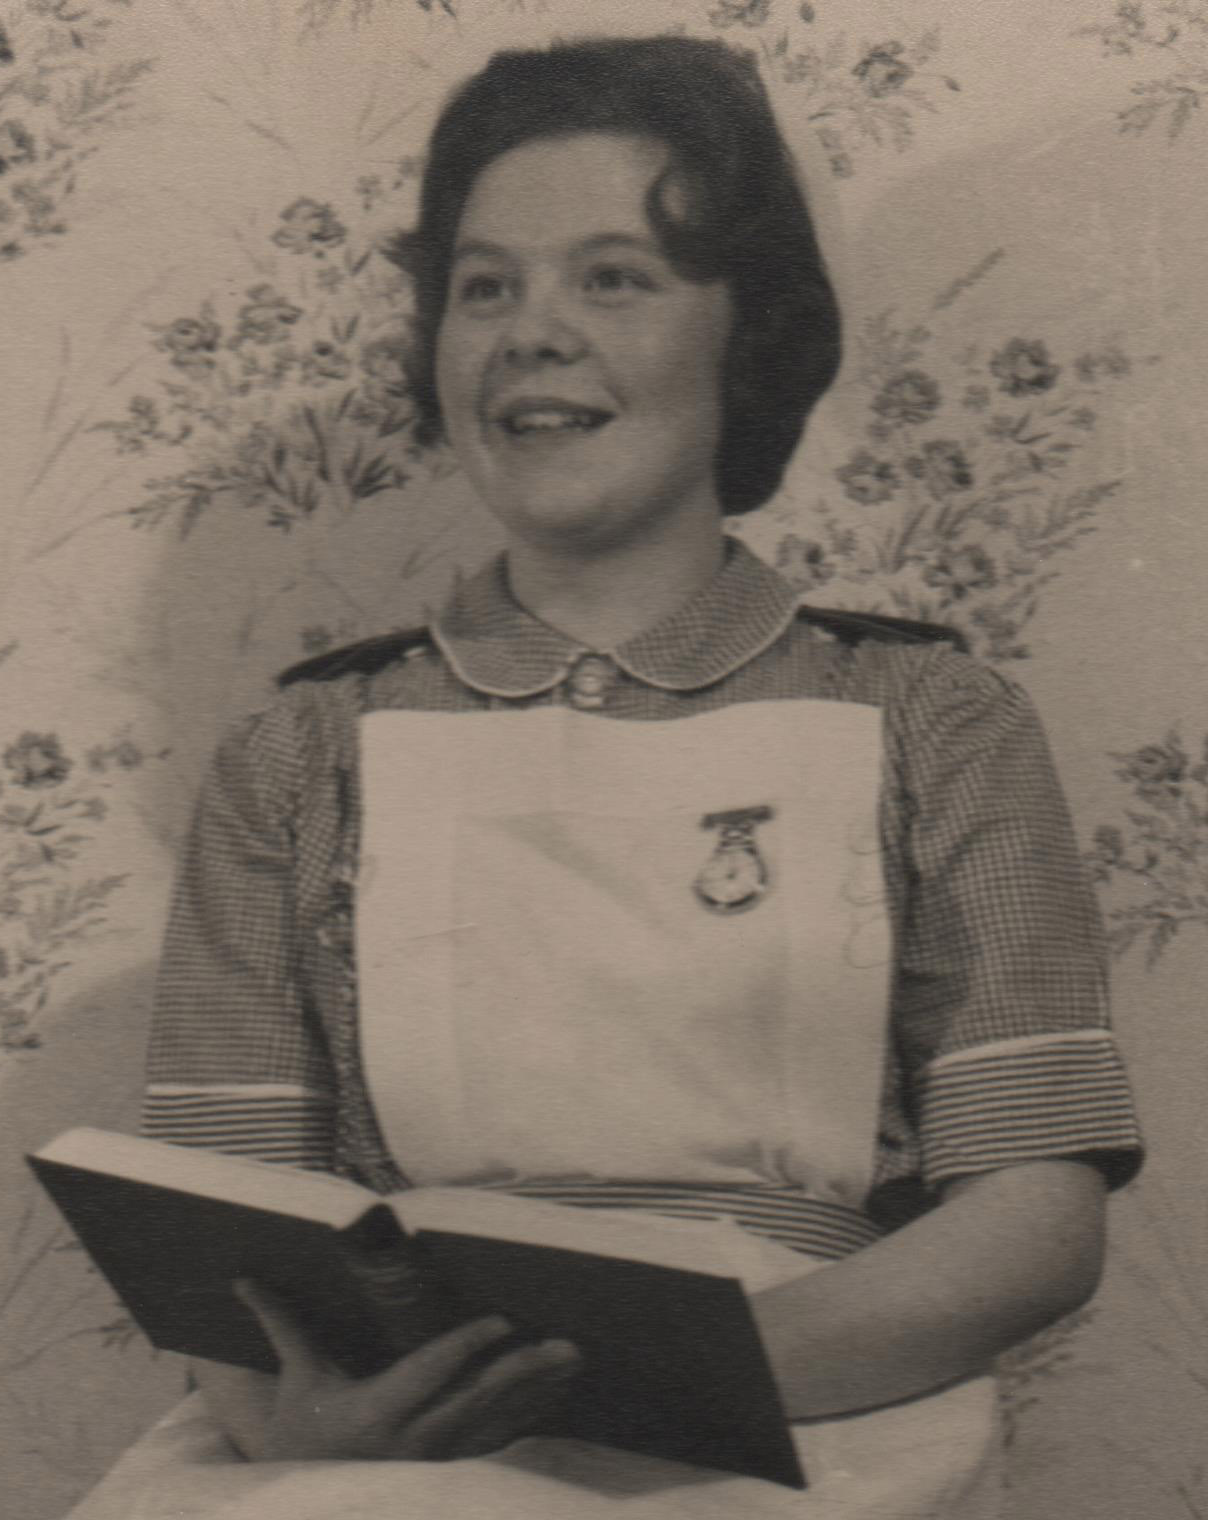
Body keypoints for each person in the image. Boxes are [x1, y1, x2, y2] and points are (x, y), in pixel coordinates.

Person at [68, 34, 1142, 1520]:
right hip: (405, 1436)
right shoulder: (299, 756)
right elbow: (223, 1229)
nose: (533, 334)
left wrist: (690, 1372)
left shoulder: (932, 722)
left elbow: (1036, 1216)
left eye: (615, 279)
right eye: (484, 288)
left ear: (747, 337)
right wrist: (300, 1423)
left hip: (809, 1416)